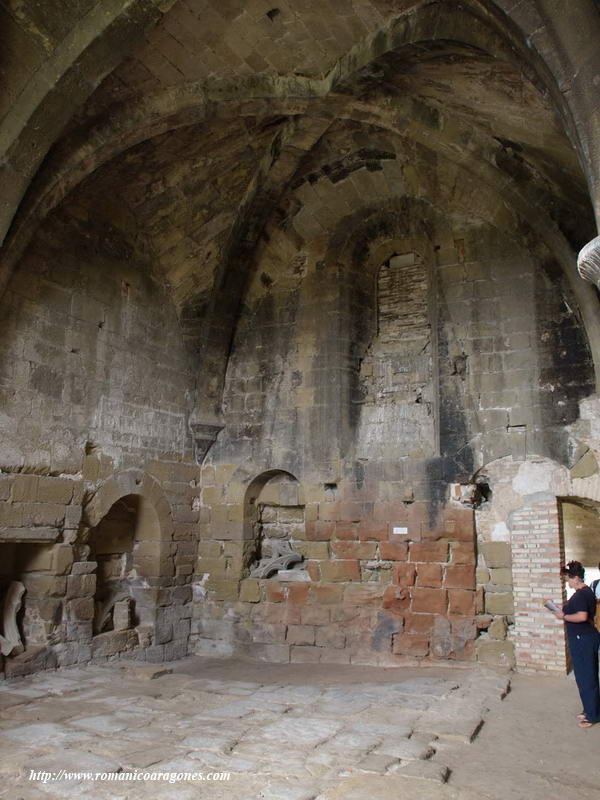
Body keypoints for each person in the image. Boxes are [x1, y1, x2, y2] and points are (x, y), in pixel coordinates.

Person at [549, 561, 600, 728]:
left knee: (588, 677)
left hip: (584, 639)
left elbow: (582, 616)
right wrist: (560, 609)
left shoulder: (582, 594)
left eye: (569, 579)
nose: (568, 583)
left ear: (576, 578)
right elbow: (574, 609)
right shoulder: (582, 593)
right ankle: (588, 710)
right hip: (581, 639)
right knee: (583, 677)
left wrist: (562, 616)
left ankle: (593, 716)